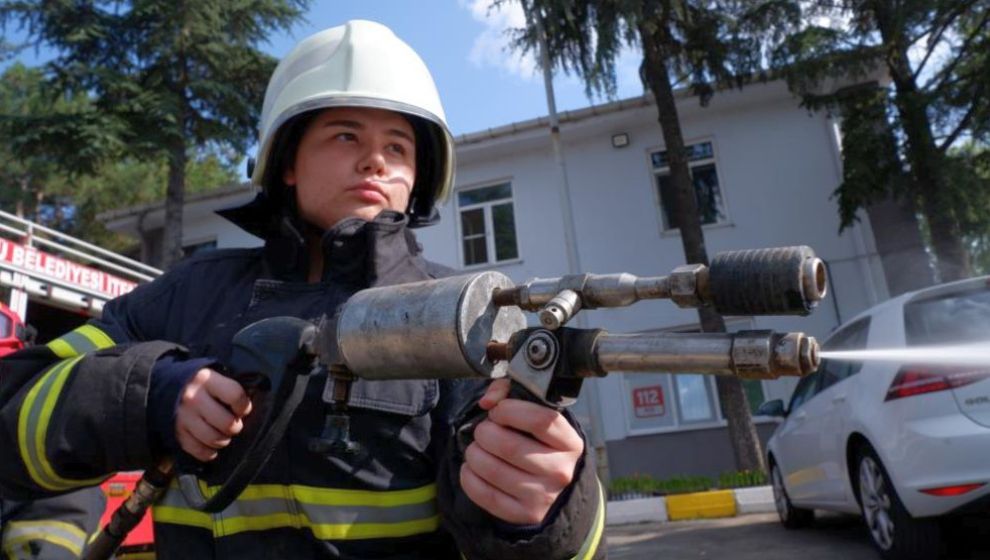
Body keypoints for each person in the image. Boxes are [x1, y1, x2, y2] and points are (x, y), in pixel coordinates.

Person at [0, 20, 605, 559]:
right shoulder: (187, 295)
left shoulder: (466, 313)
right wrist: (154, 393)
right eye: (345, 136)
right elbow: (15, 404)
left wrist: (545, 514)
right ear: (286, 162)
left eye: (397, 145)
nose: (375, 161)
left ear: (418, 177)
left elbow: (546, 532)